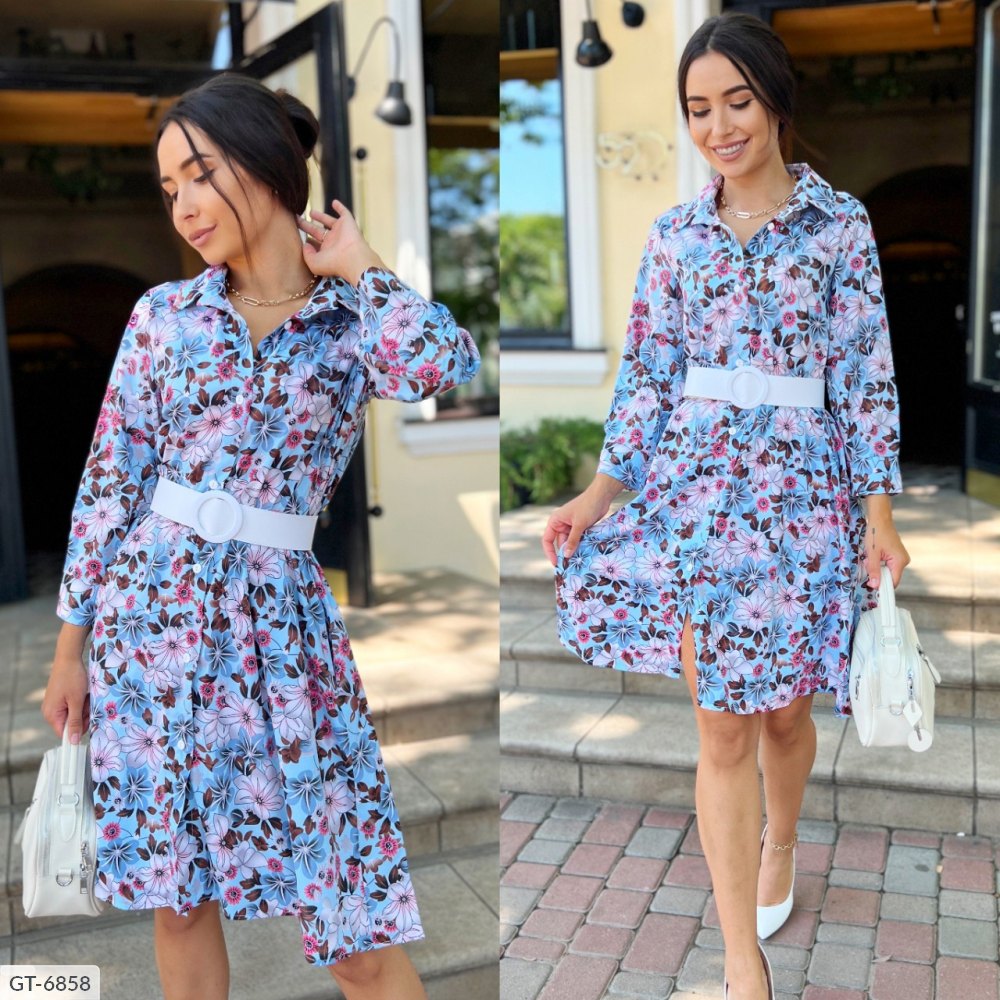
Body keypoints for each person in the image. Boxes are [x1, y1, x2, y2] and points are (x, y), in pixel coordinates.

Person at [41, 73, 480, 1000]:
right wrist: (71, 649)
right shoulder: (162, 318)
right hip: (151, 632)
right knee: (179, 902)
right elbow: (109, 485)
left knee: (352, 923)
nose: (184, 205)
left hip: (284, 641)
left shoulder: (352, 322)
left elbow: (442, 364)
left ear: (267, 163)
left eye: (200, 174)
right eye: (169, 188)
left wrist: (362, 266)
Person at [542, 13, 908, 1000]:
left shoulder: (839, 226)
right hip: (696, 500)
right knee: (723, 729)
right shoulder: (674, 236)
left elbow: (865, 375)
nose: (717, 127)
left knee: (785, 718)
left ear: (775, 101)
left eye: (735, 103)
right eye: (698, 109)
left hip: (805, 499)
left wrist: (878, 515)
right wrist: (597, 494)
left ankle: (781, 838)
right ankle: (742, 962)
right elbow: (646, 381)